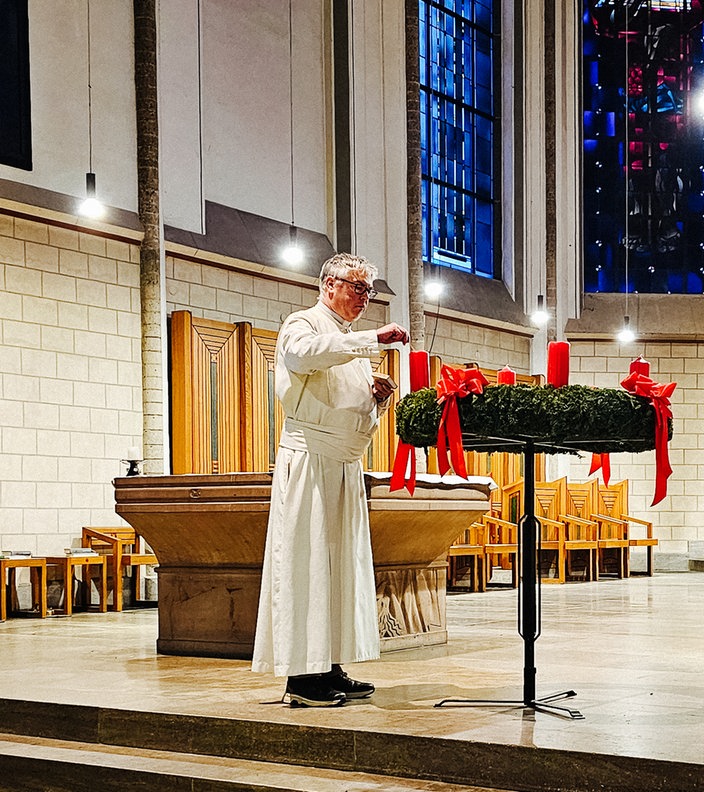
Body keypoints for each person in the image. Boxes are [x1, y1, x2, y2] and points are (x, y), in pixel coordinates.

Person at [251, 252, 409, 707]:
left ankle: (331, 663)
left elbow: (343, 402)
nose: (364, 297)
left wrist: (374, 398)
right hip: (310, 462)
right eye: (357, 287)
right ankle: (302, 678)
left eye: (368, 290)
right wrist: (371, 338)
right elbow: (302, 358)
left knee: (339, 568)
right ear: (328, 285)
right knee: (308, 564)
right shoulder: (302, 324)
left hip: (342, 464)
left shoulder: (348, 341)